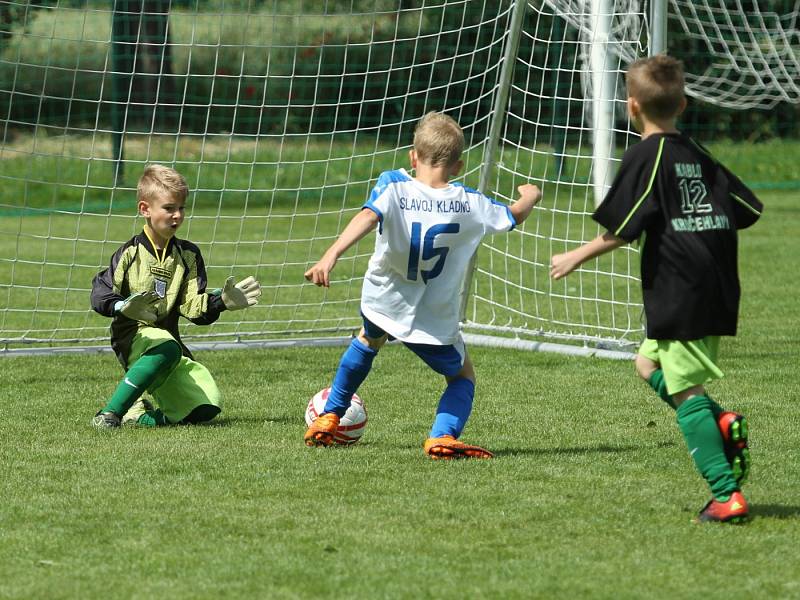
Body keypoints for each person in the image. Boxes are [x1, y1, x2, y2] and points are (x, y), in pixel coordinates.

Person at [550, 55, 762, 523]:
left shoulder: (647, 154)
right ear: (682, 104)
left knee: (686, 391)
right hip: (714, 283)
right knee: (647, 363)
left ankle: (726, 493)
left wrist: (573, 256)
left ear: (631, 107)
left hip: (681, 288)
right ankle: (720, 421)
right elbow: (749, 208)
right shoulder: (696, 152)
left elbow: (624, 227)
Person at [303, 112, 542, 458]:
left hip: (384, 299)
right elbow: (512, 216)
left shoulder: (393, 185)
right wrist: (530, 195)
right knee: (462, 378)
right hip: (434, 314)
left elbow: (368, 215)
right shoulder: (470, 202)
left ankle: (330, 415)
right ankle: (442, 436)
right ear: (459, 166)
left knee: (368, 340)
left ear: (413, 157)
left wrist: (330, 255)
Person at [90, 164, 261, 428]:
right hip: (132, 336)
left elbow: (193, 308)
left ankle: (139, 417)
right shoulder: (129, 253)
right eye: (169, 208)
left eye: (181, 208)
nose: (177, 216)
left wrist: (222, 303)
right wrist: (123, 306)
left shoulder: (188, 255)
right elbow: (100, 292)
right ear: (145, 209)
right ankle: (109, 414)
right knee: (166, 345)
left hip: (170, 343)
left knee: (205, 406)